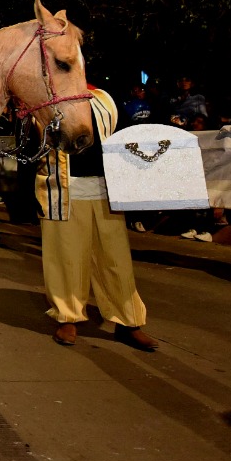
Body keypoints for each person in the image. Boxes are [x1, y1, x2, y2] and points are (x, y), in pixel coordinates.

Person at [36, 85, 158, 352]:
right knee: (66, 258)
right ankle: (68, 317)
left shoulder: (105, 99)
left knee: (116, 260)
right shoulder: (43, 99)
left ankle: (128, 322)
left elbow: (129, 139)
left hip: (106, 189)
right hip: (62, 189)